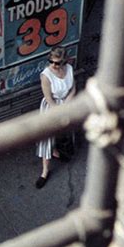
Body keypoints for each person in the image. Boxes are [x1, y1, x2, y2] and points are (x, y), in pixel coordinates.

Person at [35, 46, 75, 188]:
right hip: (52, 107)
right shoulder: (46, 75)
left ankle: (56, 151)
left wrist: (67, 105)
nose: (53, 65)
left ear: (64, 62)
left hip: (65, 104)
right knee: (47, 138)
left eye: (57, 63)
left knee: (62, 132)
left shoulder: (69, 69)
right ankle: (45, 171)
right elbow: (48, 98)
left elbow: (72, 88)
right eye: (50, 61)